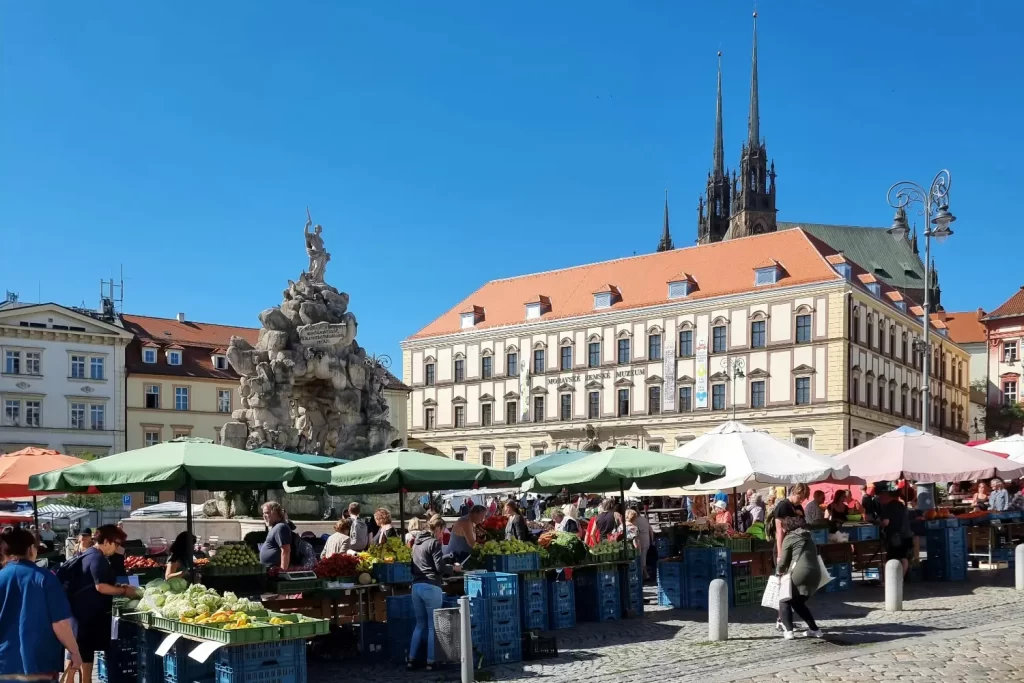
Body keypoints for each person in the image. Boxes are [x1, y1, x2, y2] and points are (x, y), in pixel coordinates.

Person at [0, 528, 83, 679]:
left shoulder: (2, 577)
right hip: (40, 664)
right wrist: (74, 652)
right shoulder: (44, 578)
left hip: (4, 664)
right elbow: (60, 623)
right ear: (31, 549)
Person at [66, 525, 140, 682]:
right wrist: (124, 591)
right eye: (117, 544)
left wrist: (119, 587)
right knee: (84, 654)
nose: (117, 548)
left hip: (79, 614)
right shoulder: (97, 558)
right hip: (86, 616)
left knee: (78, 652)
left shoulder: (88, 554)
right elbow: (101, 587)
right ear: (106, 541)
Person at [409, 515, 460, 670]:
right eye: (442, 531)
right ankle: (430, 662)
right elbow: (440, 568)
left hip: (416, 587)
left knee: (419, 625)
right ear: (437, 528)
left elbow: (414, 567)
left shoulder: (416, 544)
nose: (441, 535)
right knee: (433, 626)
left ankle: (410, 660)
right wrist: (454, 568)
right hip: (431, 586)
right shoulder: (434, 543)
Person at [775, 516, 824, 640]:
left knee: (784, 599)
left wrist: (778, 572)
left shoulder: (790, 537)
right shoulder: (809, 537)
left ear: (788, 527)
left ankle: (789, 631)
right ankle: (815, 630)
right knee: (798, 603)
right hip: (815, 573)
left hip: (799, 573)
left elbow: (783, 561)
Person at [878, 486, 909, 576]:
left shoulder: (890, 506)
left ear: (888, 496)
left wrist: (880, 525)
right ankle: (900, 579)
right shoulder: (901, 505)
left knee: (891, 559)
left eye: (882, 496)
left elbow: (886, 522)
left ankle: (892, 581)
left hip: (894, 536)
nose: (880, 498)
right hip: (905, 534)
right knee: (903, 557)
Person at [260, 502, 293, 570]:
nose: (264, 516)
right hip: (269, 570)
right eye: (263, 513)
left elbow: (286, 551)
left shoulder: (281, 527)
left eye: (267, 513)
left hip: (274, 571)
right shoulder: (276, 527)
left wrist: (282, 572)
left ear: (275, 512)